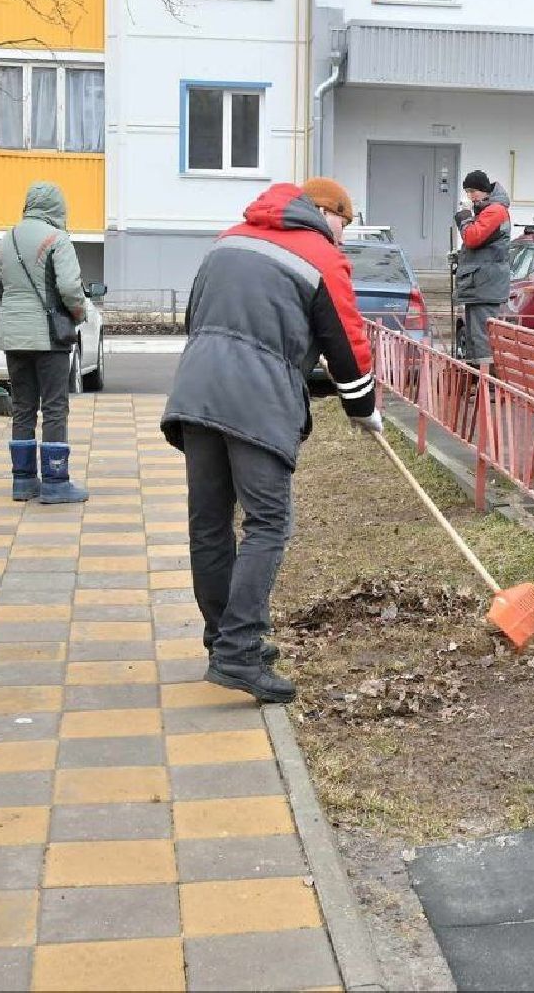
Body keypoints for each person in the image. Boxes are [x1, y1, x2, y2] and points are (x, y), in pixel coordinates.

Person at [161, 178, 381, 704]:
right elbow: (347, 346)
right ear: (327, 212)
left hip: (196, 392)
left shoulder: (228, 240)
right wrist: (363, 408)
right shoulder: (320, 257)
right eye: (345, 224)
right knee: (268, 523)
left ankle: (223, 642)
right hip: (255, 401)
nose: (344, 238)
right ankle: (239, 651)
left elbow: (196, 318)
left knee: (209, 522)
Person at [0, 181, 90, 504]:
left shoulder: (6, 239)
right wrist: (79, 313)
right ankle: (55, 481)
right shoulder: (57, 239)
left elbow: (2, 288)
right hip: (49, 339)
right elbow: (69, 287)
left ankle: (22, 481)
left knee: (22, 407)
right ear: (57, 208)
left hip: (14, 336)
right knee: (54, 407)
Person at [452, 170, 511, 365]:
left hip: (485, 285)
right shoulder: (487, 210)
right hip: (479, 285)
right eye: (467, 192)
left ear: (484, 190)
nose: (470, 196)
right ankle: (478, 384)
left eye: (473, 191)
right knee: (474, 338)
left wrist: (465, 217)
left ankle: (487, 386)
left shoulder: (495, 211)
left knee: (482, 338)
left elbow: (472, 237)